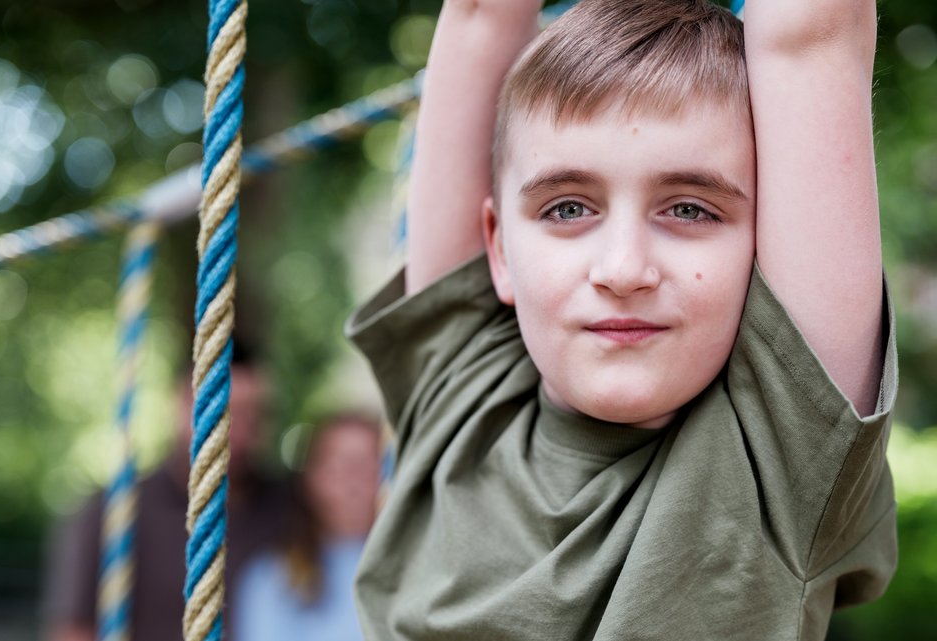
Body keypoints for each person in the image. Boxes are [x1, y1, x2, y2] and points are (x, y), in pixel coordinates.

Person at [345, 1, 897, 639]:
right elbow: (480, 17)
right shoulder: (461, 388)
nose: (623, 268)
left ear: (767, 243)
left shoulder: (782, 456)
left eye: (689, 210)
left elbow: (810, 34)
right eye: (568, 208)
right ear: (497, 250)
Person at [43, 351, 298, 641]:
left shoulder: (289, 508)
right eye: (224, 412)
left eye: (254, 414)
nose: (237, 430)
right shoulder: (115, 510)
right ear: (181, 407)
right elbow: (73, 631)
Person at [232, 412, 382, 641]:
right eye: (339, 467)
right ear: (310, 478)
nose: (353, 482)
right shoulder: (272, 577)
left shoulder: (419, 568)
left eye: (368, 466)